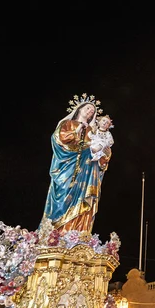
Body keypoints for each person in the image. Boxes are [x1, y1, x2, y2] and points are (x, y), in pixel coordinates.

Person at [41, 99, 112, 233]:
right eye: (88, 109)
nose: (90, 112)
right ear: (79, 109)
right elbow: (59, 140)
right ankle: (56, 233)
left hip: (87, 170)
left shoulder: (93, 131)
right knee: (63, 196)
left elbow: (103, 150)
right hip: (67, 167)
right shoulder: (67, 124)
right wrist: (79, 129)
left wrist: (103, 151)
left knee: (84, 199)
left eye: (92, 111)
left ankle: (78, 233)